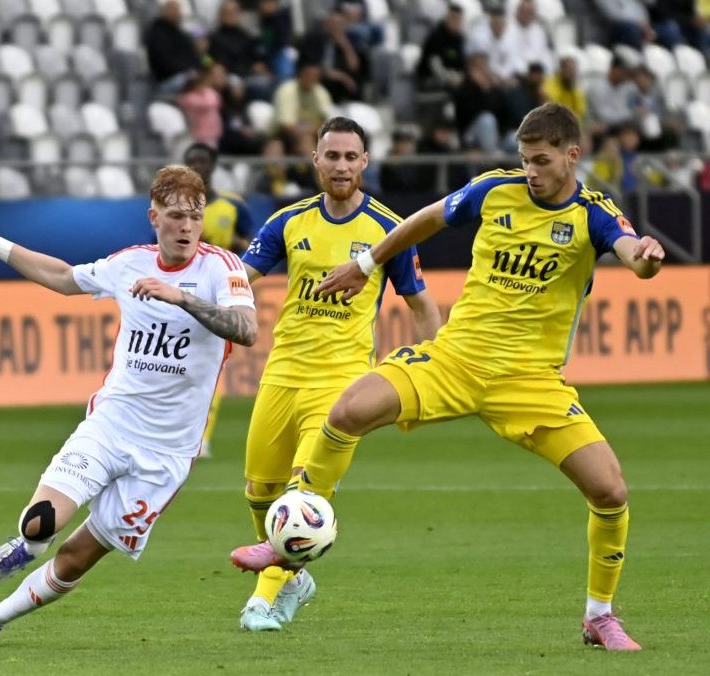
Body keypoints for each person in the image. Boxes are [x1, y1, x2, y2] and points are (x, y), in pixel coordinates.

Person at [233, 104, 665, 651]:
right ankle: (288, 546)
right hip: (456, 358)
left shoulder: (593, 214)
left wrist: (646, 258)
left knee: (610, 490)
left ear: (572, 156)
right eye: (524, 160)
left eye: (540, 161)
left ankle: (599, 616)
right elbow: (424, 220)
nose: (530, 171)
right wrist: (366, 266)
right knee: (347, 411)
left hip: (530, 381)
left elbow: (634, 255)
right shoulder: (493, 190)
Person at [0, 166, 258, 649]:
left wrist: (180, 298)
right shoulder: (129, 263)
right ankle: (27, 547)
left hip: (165, 457)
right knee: (40, 523)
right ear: (153, 217)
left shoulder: (223, 269)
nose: (186, 226)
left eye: (195, 217)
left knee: (75, 558)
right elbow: (63, 277)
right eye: (176, 216)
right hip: (111, 427)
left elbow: (246, 329)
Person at [230, 117, 442, 631]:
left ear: (365, 162)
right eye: (333, 156)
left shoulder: (389, 231)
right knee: (260, 493)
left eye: (351, 157)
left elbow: (421, 305)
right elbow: (238, 276)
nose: (342, 166)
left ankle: (261, 602)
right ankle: (296, 579)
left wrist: (431, 366)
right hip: (282, 373)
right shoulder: (288, 221)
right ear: (316, 162)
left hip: (340, 382)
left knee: (300, 496)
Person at [183, 142, 257, 458]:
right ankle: (182, 431)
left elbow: (257, 245)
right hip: (184, 292)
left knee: (212, 363)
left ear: (213, 166)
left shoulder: (233, 206)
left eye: (202, 161)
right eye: (192, 162)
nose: (198, 166)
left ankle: (202, 437)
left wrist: (239, 249)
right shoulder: (176, 210)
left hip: (220, 293)